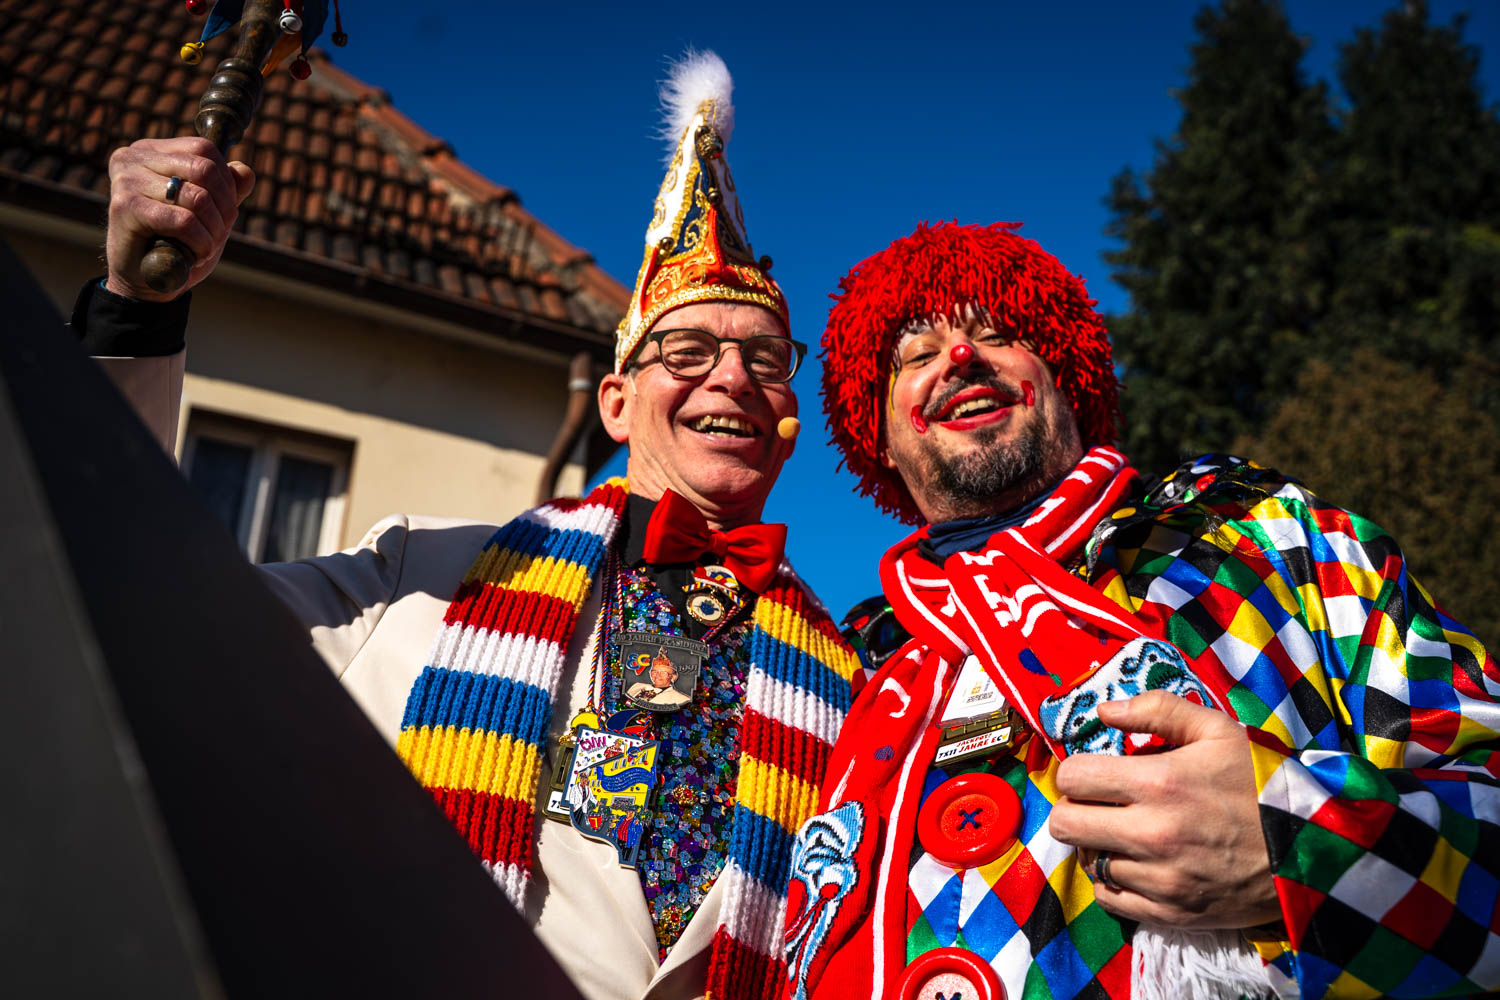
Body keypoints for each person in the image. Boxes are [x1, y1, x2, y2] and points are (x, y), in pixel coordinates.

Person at [73, 51, 858, 1000]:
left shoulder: (853, 690)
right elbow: (132, 604)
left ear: (789, 417)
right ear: (616, 404)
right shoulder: (422, 575)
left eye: (767, 361)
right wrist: (139, 314)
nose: (732, 378)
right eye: (687, 350)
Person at [783, 221, 1500, 1000]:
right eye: (916, 355)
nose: (960, 355)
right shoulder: (852, 668)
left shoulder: (1266, 536)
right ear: (880, 438)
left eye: (998, 332)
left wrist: (1306, 847)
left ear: (1066, 379)